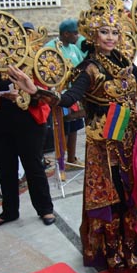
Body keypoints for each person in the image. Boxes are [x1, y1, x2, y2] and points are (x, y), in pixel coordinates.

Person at [9, 0, 137, 273]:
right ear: (92, 35)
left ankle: (131, 248)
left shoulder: (125, 62)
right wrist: (36, 88)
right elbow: (67, 99)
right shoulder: (89, 67)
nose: (110, 37)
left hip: (129, 139)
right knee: (109, 200)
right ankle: (110, 252)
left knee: (130, 196)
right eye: (104, 32)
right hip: (102, 143)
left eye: (114, 31)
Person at [0, 61, 55, 227]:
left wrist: (22, 95)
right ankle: (9, 211)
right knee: (5, 168)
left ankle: (45, 208)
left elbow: (43, 94)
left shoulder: (31, 57)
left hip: (28, 122)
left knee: (33, 165)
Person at [45, 18, 86, 170]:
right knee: (63, 128)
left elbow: (83, 64)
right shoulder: (51, 47)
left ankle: (72, 159)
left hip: (74, 94)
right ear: (66, 33)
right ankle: (62, 162)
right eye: (75, 33)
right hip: (60, 94)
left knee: (75, 126)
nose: (78, 36)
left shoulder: (74, 48)